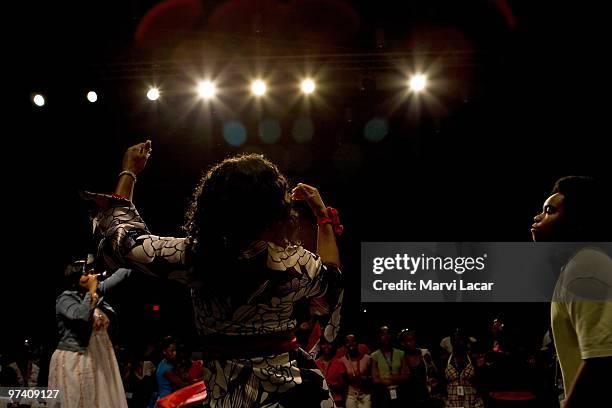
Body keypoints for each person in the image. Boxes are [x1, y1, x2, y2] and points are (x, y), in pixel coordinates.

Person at [85, 140, 344, 407]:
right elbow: (332, 278)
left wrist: (129, 171)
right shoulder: (292, 263)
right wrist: (322, 217)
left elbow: (126, 241)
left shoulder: (192, 258)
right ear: (274, 212)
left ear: (209, 207)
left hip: (230, 394)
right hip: (297, 393)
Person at [531, 176, 612, 407]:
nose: (538, 217)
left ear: (576, 221)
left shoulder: (586, 267)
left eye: (549, 211)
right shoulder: (576, 266)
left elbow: (603, 359)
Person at [47, 261, 132, 408]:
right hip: (76, 360)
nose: (93, 276)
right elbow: (82, 315)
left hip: (98, 358)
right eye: (87, 273)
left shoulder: (94, 292)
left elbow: (121, 274)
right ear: (76, 279)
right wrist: (91, 291)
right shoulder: (64, 299)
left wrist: (132, 258)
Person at [370, 326, 410, 408]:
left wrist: (395, 378)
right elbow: (375, 378)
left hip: (399, 390)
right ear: (379, 338)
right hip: (382, 392)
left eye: (388, 334)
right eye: (383, 334)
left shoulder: (400, 353)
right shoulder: (375, 355)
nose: (386, 337)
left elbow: (407, 374)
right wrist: (385, 381)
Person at [398, 329, 439, 407]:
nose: (412, 343)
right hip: (409, 397)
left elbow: (434, 372)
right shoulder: (401, 357)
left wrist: (432, 377)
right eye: (409, 341)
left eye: (413, 340)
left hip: (425, 395)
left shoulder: (424, 354)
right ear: (403, 343)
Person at [443, 331, 484, 408]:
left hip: (472, 401)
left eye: (460, 340)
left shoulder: (472, 359)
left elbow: (480, 380)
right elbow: (442, 382)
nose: (457, 343)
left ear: (465, 341)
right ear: (451, 342)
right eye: (454, 340)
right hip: (452, 402)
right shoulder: (446, 359)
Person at [338, 334, 372, 408]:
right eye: (348, 342)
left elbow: (373, 376)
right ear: (345, 345)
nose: (350, 344)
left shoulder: (367, 359)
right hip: (351, 396)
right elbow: (343, 382)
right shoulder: (342, 361)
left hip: (365, 395)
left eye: (353, 341)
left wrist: (365, 378)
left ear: (357, 343)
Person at [315, 339, 347, 406]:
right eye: (324, 344)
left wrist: (333, 386)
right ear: (320, 346)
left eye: (329, 344)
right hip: (319, 400)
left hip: (336, 400)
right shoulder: (315, 363)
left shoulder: (339, 363)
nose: (326, 346)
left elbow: (343, 385)